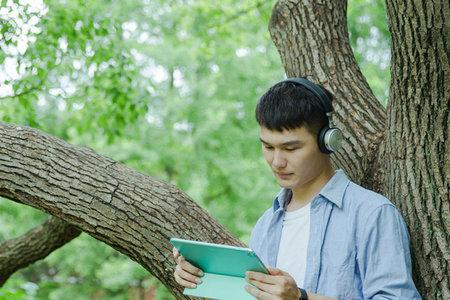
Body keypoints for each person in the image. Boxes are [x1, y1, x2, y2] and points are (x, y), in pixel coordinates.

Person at [173, 78, 421, 299]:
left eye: (290, 149)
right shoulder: (265, 225)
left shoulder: (373, 214)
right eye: (268, 148)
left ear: (328, 141)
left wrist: (301, 299)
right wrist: (203, 280)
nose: (277, 162)